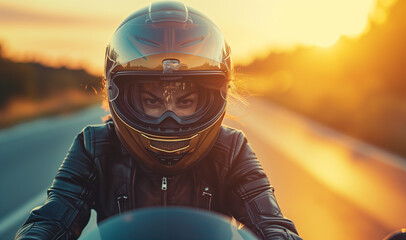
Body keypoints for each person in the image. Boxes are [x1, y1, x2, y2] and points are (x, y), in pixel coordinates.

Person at [15, 1, 302, 239]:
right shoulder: (95, 146)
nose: (170, 118)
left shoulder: (231, 148)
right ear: (120, 93)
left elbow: (272, 223)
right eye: (152, 101)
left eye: (185, 101)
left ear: (215, 95)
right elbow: (51, 219)